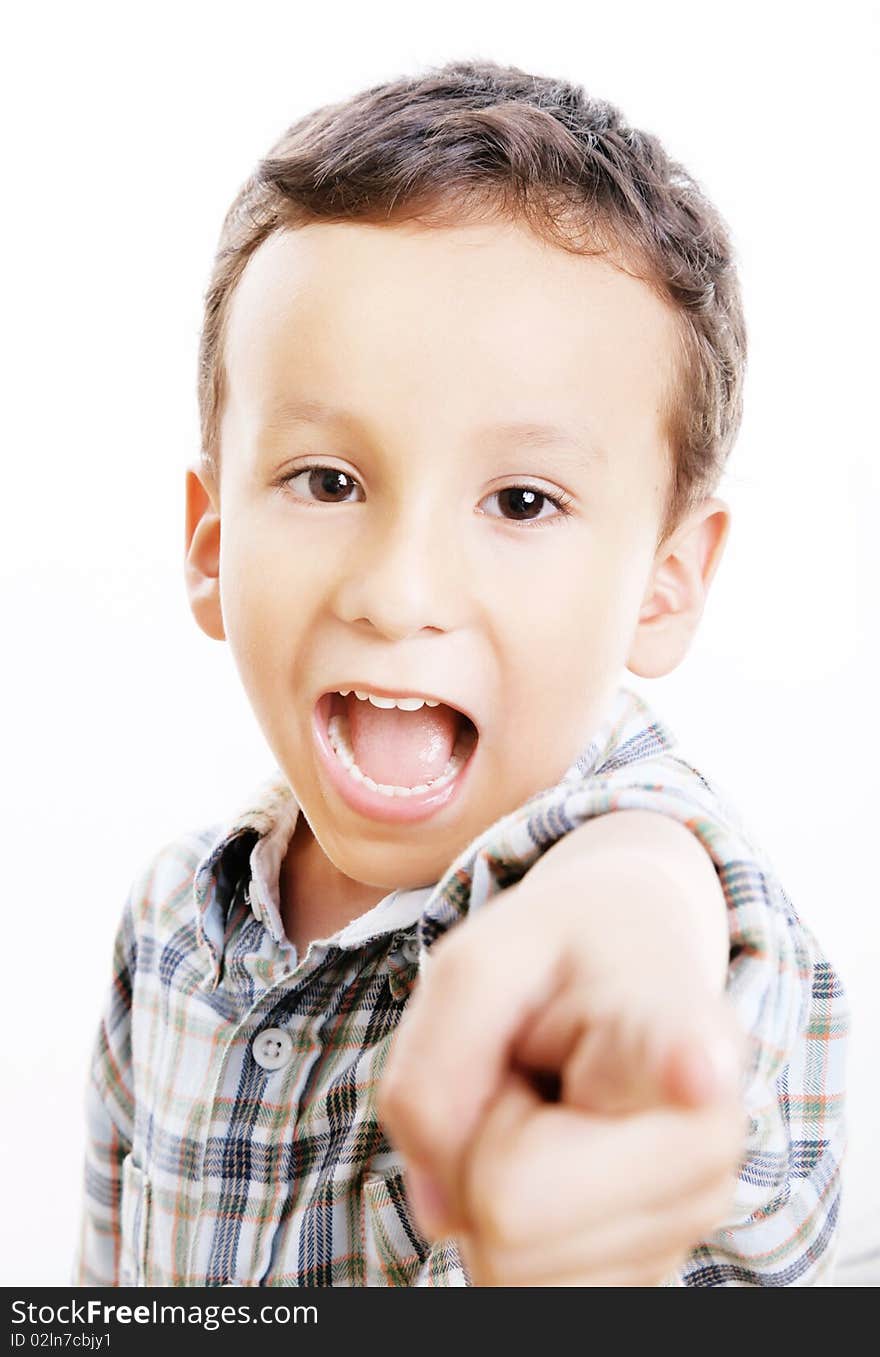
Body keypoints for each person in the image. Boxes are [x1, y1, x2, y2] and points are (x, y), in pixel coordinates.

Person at [72, 58, 847, 1287]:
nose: (400, 590)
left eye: (521, 500)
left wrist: (631, 994)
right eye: (327, 482)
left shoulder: (656, 888)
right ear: (212, 547)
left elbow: (647, 881)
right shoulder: (171, 924)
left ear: (665, 579)